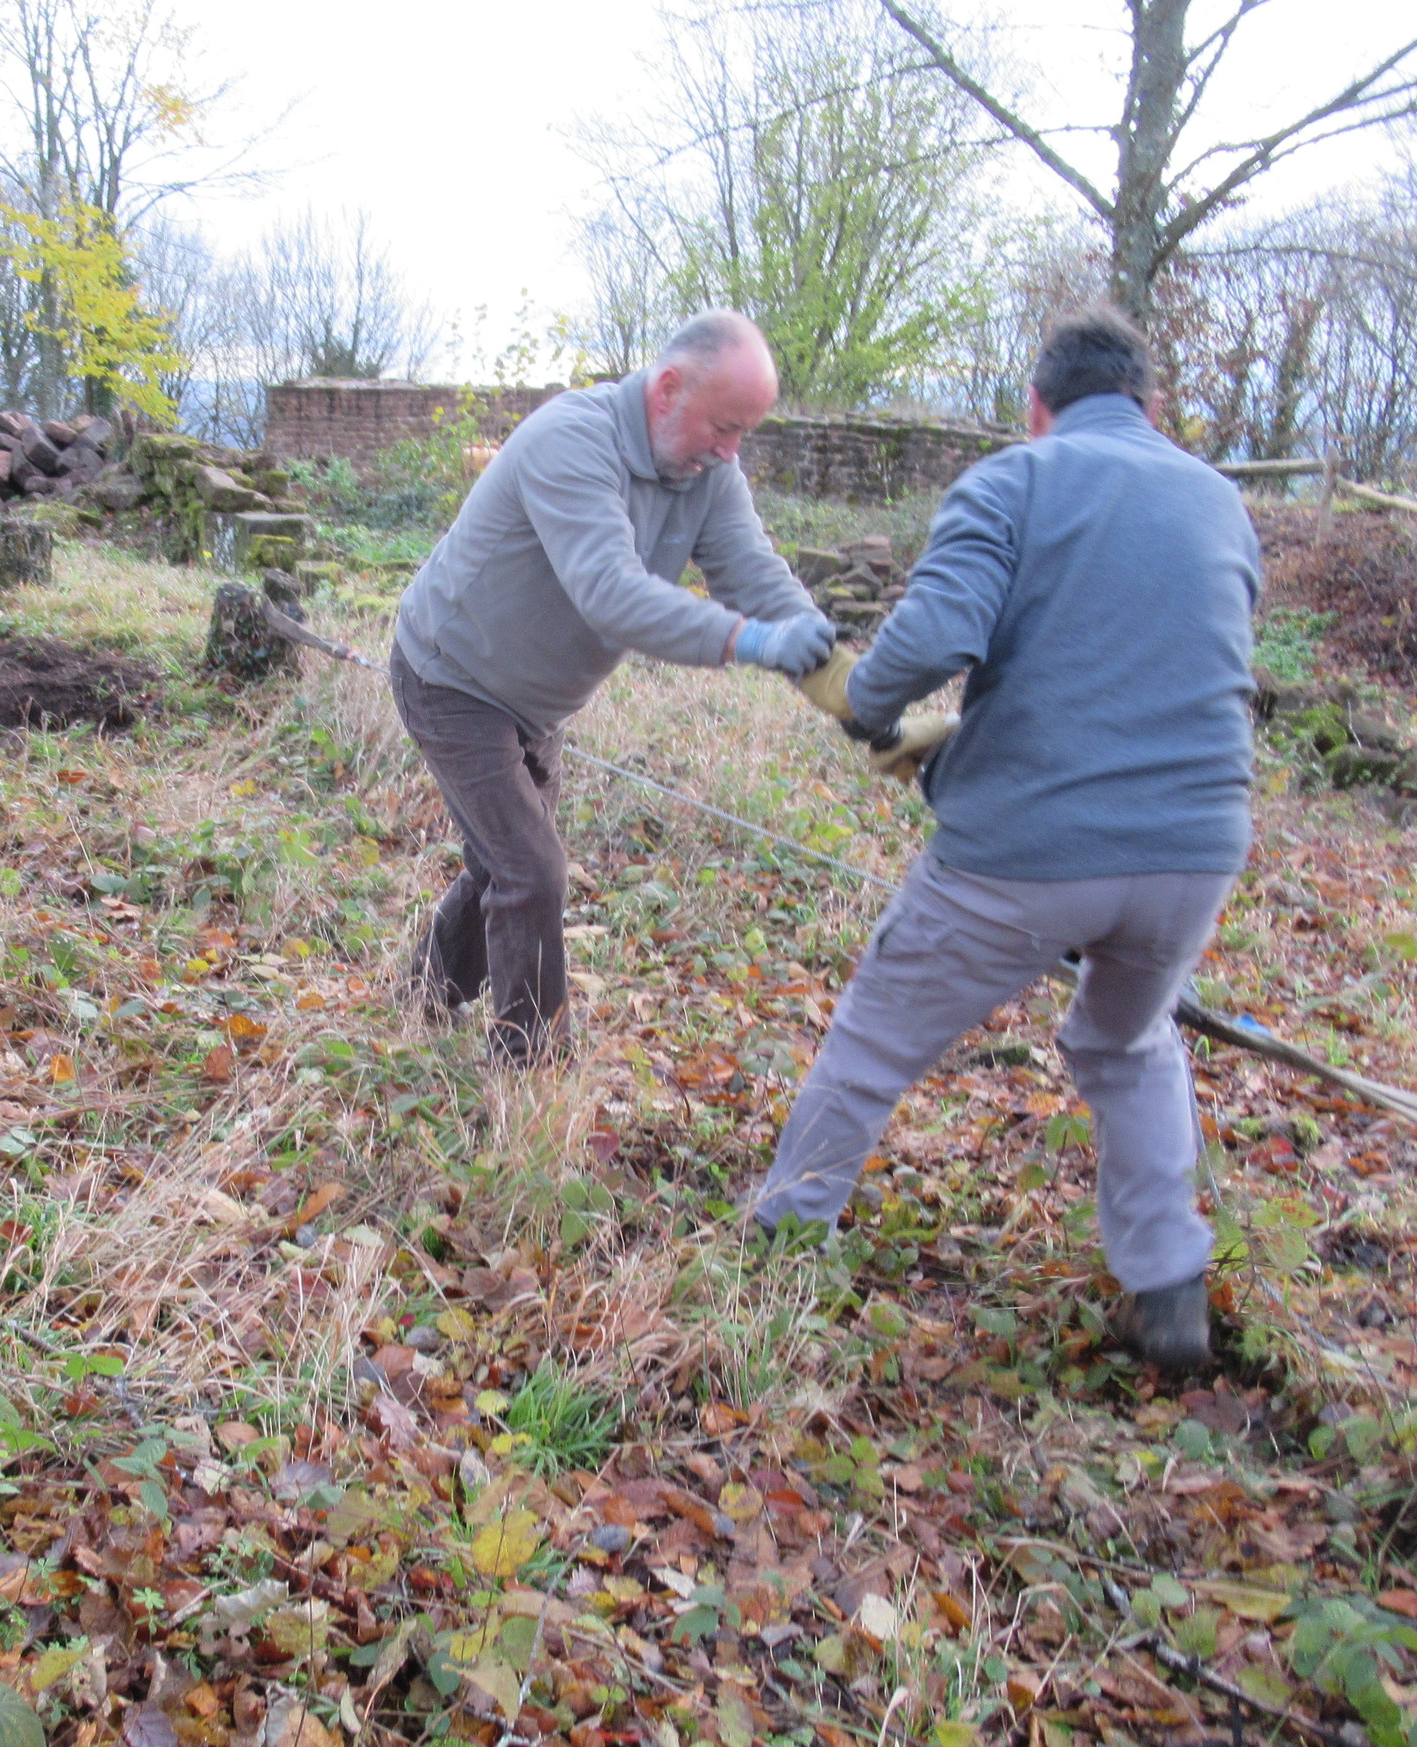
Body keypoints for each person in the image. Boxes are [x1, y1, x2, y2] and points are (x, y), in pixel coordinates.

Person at [752, 307, 1261, 1372]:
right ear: (1151, 406)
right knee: (1128, 1045)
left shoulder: (1014, 480)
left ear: (1036, 407)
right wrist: (965, 746)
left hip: (1023, 850)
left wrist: (868, 705)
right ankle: (1170, 1291)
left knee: (873, 1041)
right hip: (1197, 848)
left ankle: (778, 1251)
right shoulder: (1220, 501)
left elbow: (938, 633)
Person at [392, 311, 835, 1063]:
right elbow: (612, 592)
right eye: (724, 427)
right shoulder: (571, 440)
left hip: (537, 703)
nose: (731, 451)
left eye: (744, 434)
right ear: (668, 389)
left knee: (504, 862)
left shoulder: (709, 475)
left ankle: (424, 995)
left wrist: (832, 667)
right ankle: (531, 1068)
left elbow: (753, 572)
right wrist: (754, 642)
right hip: (451, 675)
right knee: (531, 870)